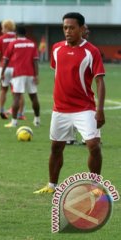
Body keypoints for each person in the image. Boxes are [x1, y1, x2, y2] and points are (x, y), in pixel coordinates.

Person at [34, 12, 105, 194]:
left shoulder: (92, 51)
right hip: (60, 110)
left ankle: (95, 185)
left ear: (82, 29)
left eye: (72, 28)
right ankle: (51, 186)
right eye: (65, 27)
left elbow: (99, 82)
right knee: (56, 147)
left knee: (93, 146)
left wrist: (100, 110)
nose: (67, 31)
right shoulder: (56, 49)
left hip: (85, 109)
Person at [1, 26, 41, 128]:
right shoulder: (32, 44)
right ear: (25, 34)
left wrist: (3, 72)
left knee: (16, 97)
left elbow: (5, 59)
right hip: (31, 74)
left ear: (16, 34)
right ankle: (37, 120)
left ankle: (14, 122)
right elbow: (35, 61)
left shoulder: (13, 43)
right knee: (34, 97)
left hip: (18, 74)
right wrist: (36, 75)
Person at [0, 19, 25, 120]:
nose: (2, 29)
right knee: (18, 92)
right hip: (16, 68)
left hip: (4, 67)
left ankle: (1, 110)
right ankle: (20, 113)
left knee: (3, 90)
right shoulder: (17, 38)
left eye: (3, 27)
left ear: (7, 27)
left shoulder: (1, 38)